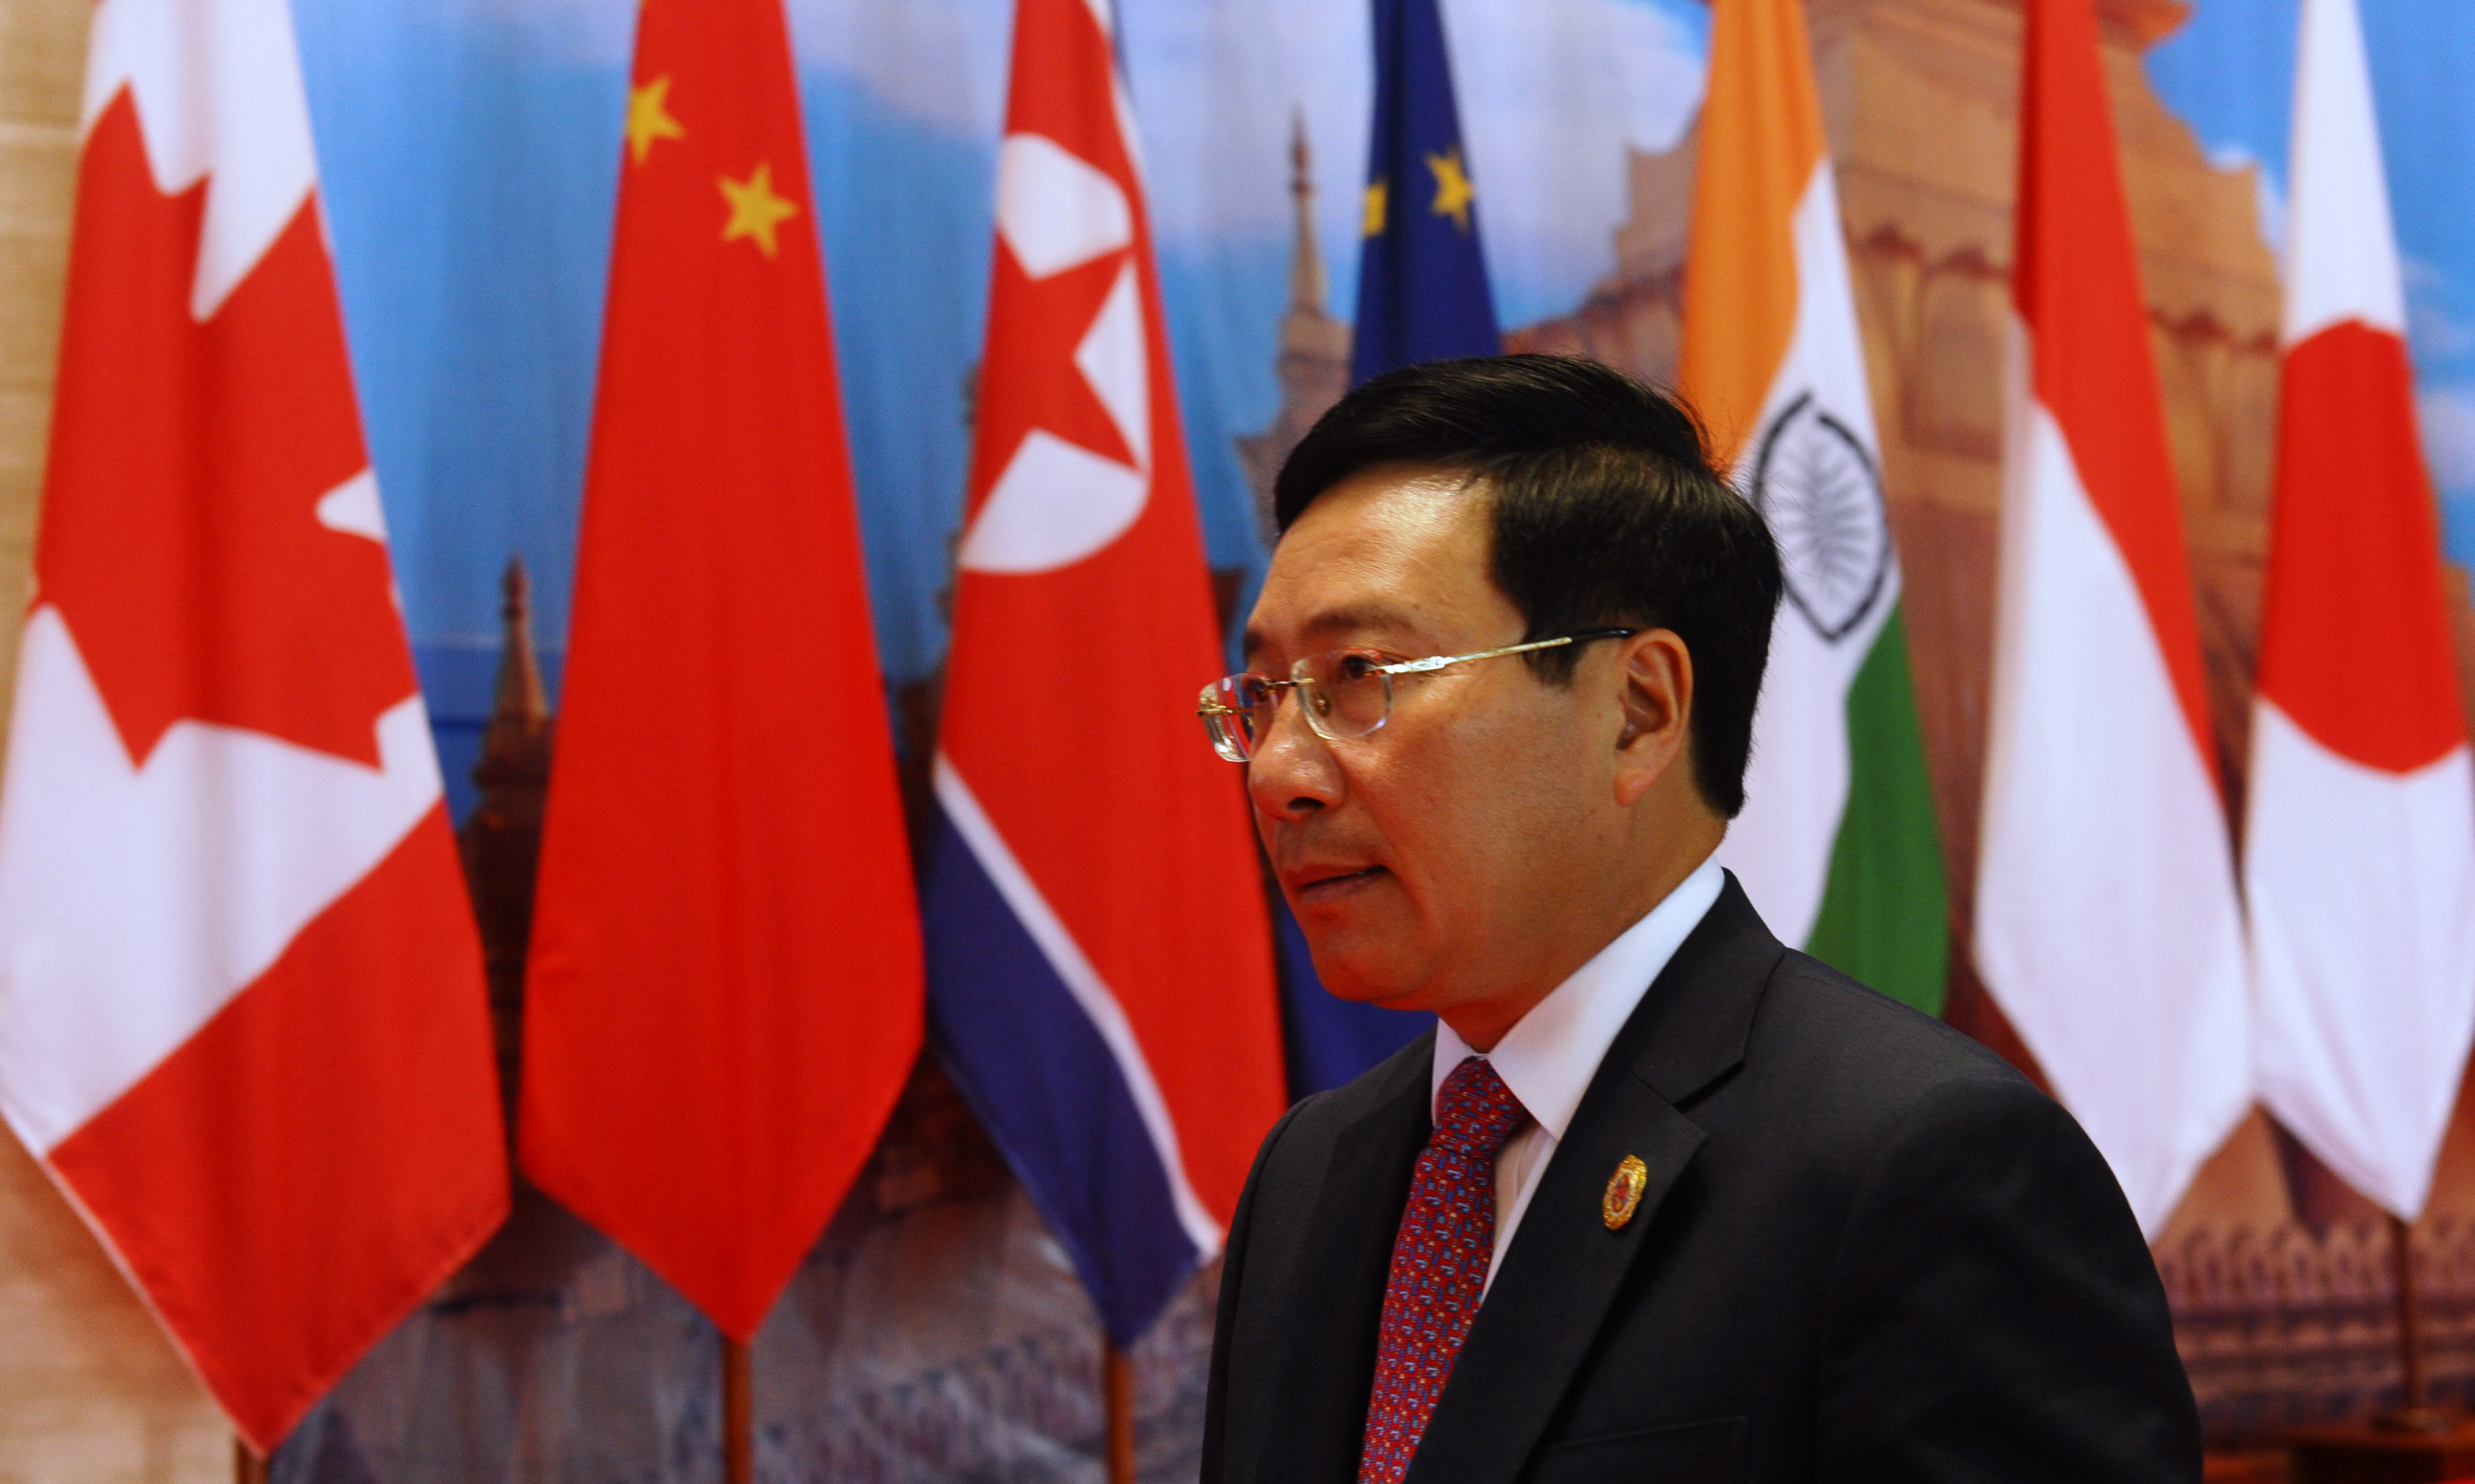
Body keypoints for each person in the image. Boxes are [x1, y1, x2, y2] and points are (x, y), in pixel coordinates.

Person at [1196, 355, 2200, 1483]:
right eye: (1265, 695)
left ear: (1637, 712)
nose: (1279, 771)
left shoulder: (1916, 1165)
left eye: (1358, 677)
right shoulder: (1312, 1169)